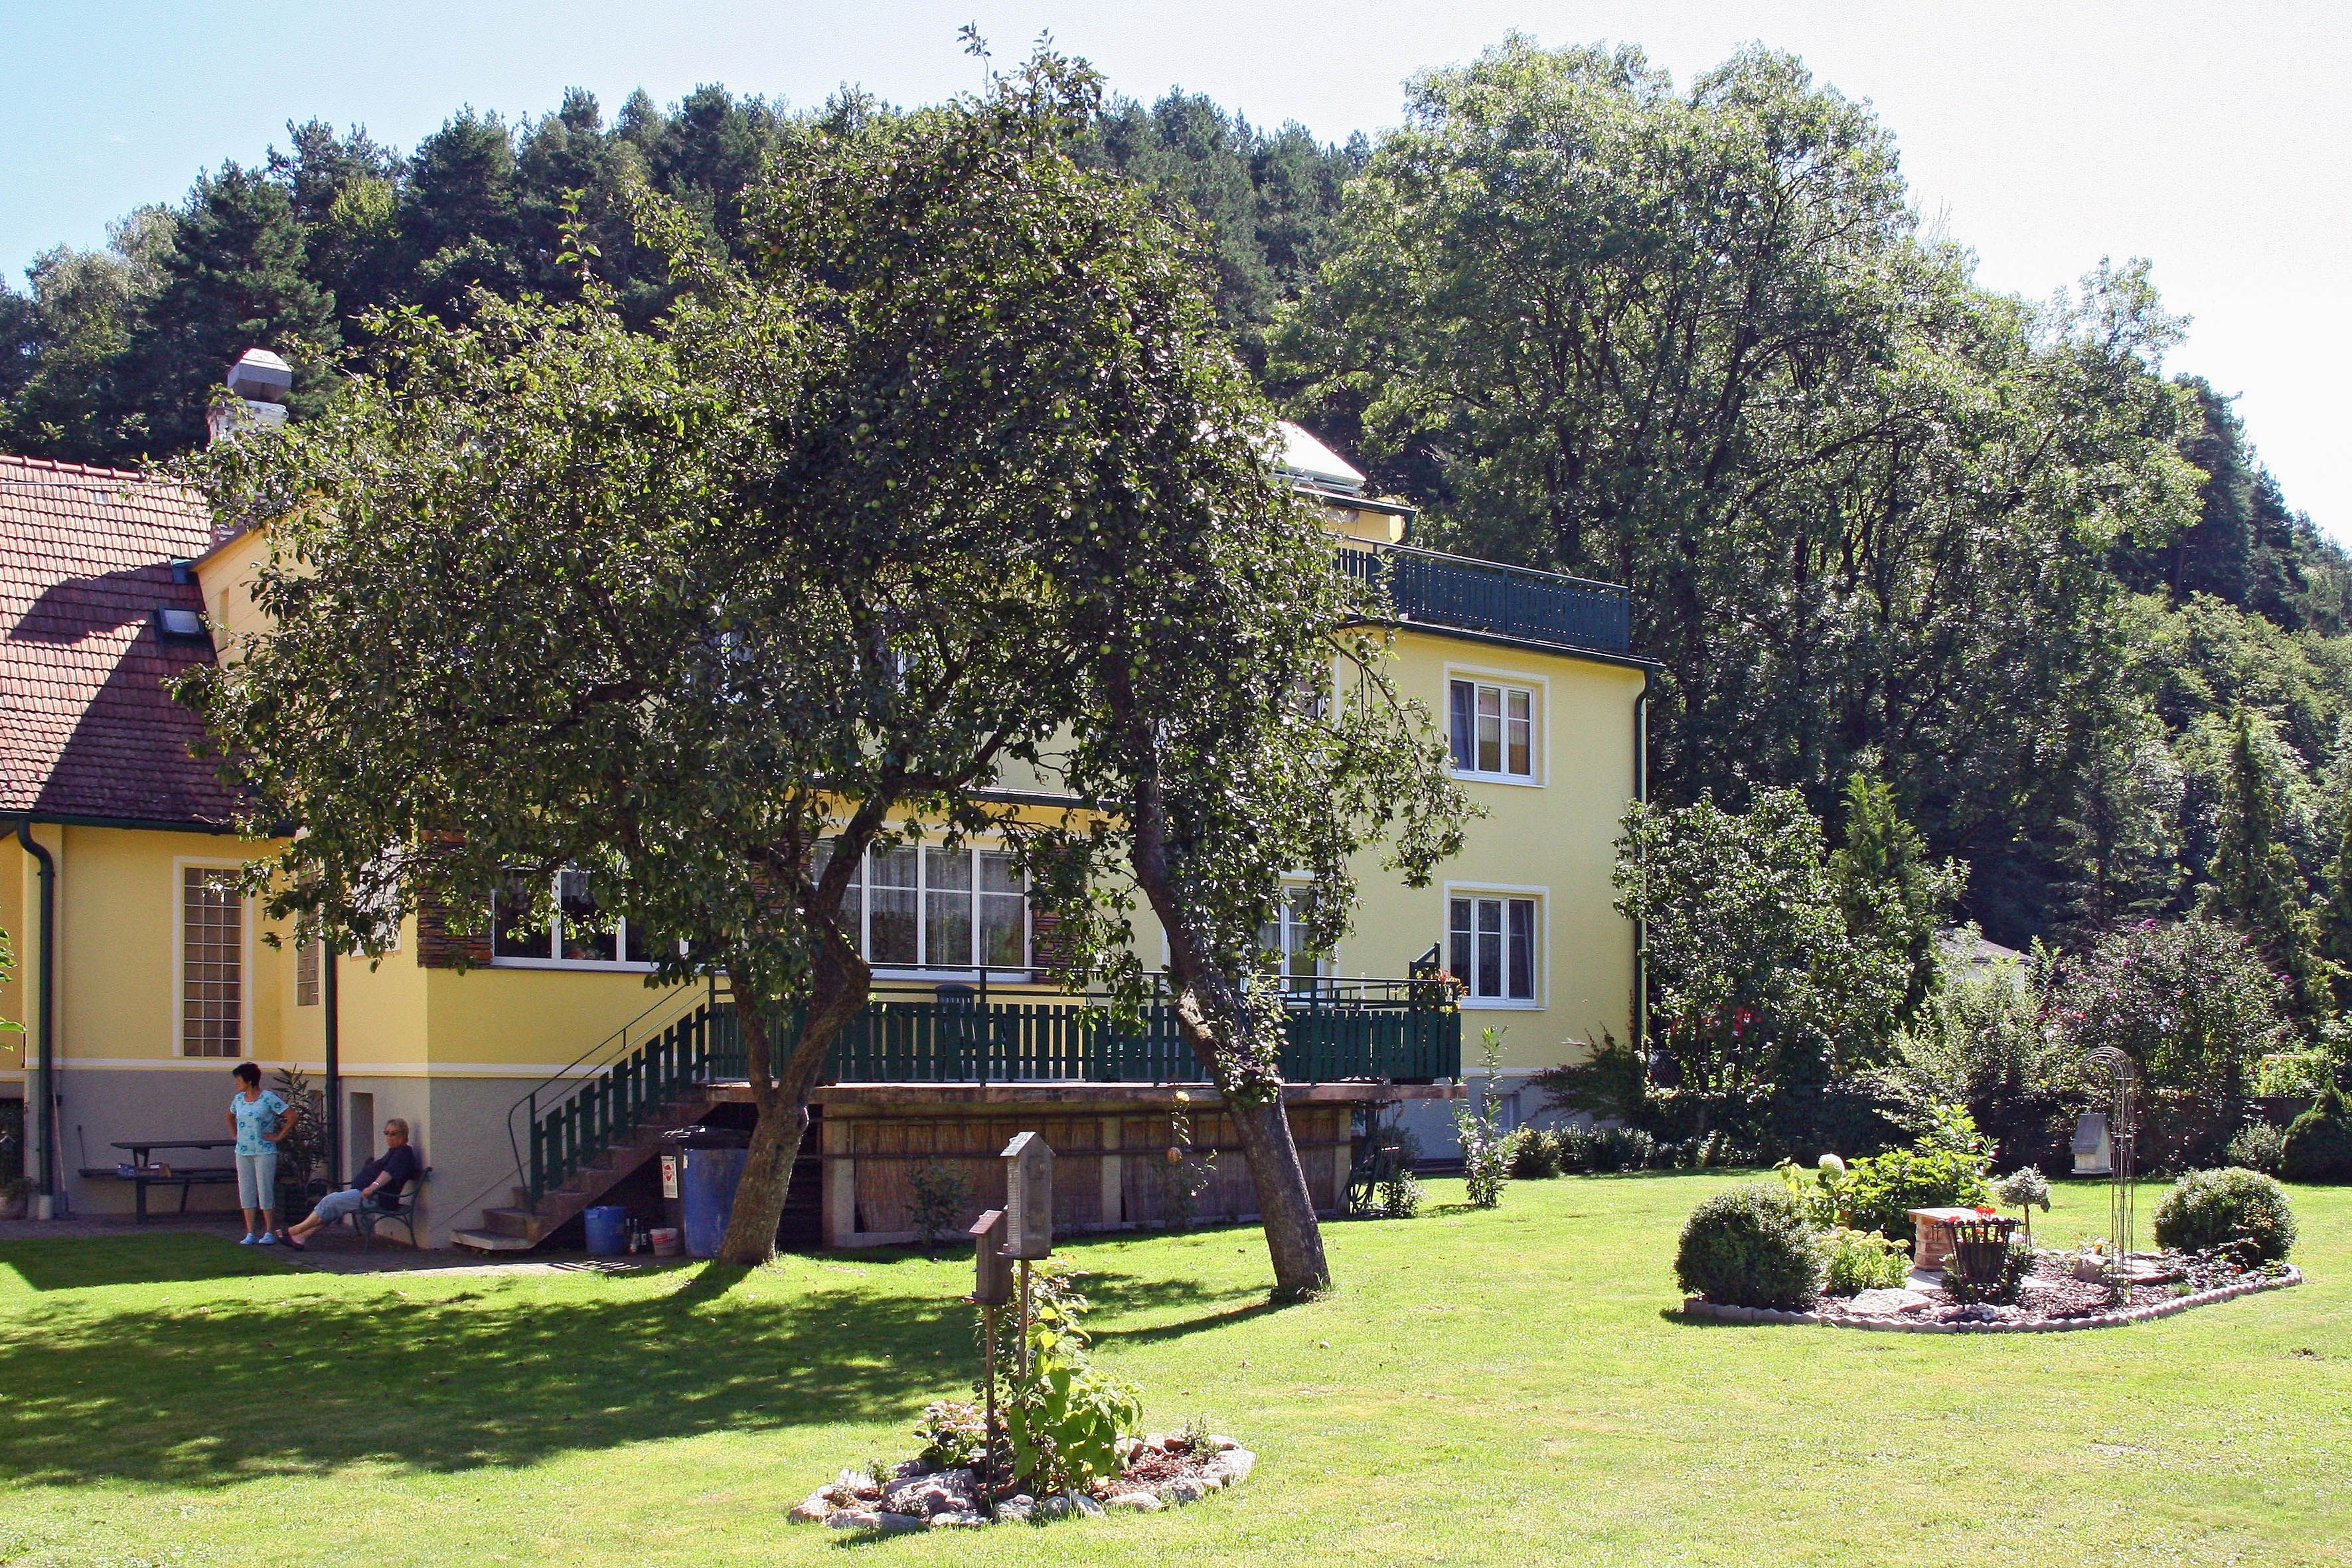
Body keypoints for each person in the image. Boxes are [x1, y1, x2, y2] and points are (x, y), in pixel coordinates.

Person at [281, 1119, 420, 1250]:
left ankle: (294, 1230)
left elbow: (388, 1173)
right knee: (333, 1207)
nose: (389, 1137)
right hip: (369, 1195)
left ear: (403, 1136)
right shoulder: (394, 1152)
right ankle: (300, 1238)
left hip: (377, 1198)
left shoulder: (403, 1153)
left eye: (393, 1134)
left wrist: (372, 1187)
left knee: (331, 1200)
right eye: (387, 1133)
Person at [226, 1063, 293, 1245]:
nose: (237, 1084)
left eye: (239, 1080)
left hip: (264, 1150)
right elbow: (230, 1116)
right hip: (243, 1150)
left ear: (249, 1081)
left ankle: (269, 1231)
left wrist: (279, 1136)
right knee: (246, 1190)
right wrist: (235, 1135)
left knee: (265, 1190)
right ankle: (250, 1232)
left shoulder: (268, 1098)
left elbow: (291, 1116)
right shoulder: (239, 1099)